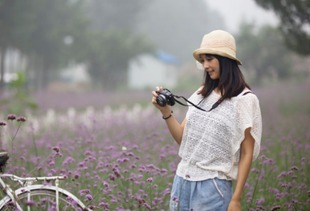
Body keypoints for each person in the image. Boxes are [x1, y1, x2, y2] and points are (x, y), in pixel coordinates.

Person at [151, 30, 262, 211]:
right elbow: (183, 139)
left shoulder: (245, 100)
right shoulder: (200, 94)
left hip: (212, 188)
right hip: (181, 181)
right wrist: (165, 112)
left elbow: (246, 153)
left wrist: (236, 199)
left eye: (209, 59)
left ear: (225, 60)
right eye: (203, 60)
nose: (205, 65)